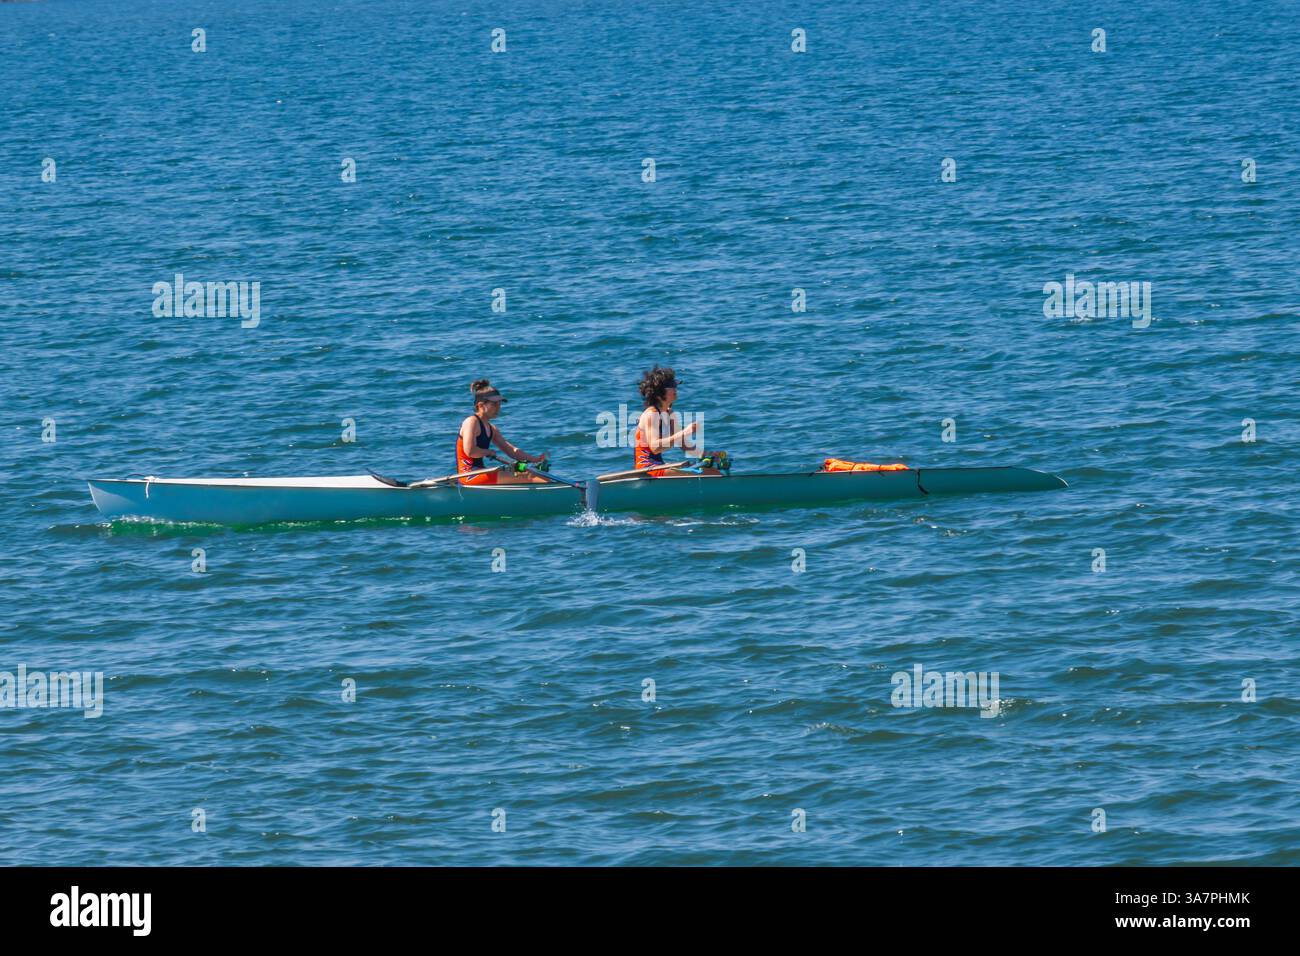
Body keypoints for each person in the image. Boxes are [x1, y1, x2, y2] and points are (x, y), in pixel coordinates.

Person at [633, 366, 722, 477]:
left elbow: (684, 445)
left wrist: (709, 454)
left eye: (675, 385)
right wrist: (685, 432)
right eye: (671, 386)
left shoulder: (669, 413)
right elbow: (655, 447)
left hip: (659, 465)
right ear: (659, 393)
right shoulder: (651, 414)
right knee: (711, 474)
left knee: (713, 472)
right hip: (647, 469)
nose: (675, 388)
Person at [457, 380, 549, 484]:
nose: (498, 408)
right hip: (468, 475)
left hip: (481, 471)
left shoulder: (492, 429)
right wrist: (488, 452)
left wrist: (535, 460)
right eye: (494, 404)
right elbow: (470, 451)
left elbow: (512, 451)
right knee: (528, 476)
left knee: (529, 472)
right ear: (481, 405)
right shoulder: (471, 422)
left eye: (499, 404)